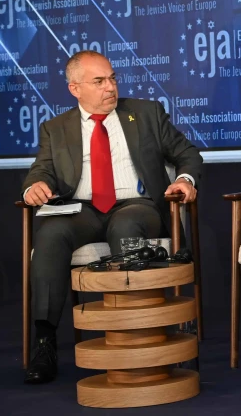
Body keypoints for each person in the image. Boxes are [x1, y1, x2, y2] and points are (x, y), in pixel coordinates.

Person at [21, 50, 202, 385]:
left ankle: (134, 333)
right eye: (99, 81)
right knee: (49, 234)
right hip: (83, 210)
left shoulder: (145, 113)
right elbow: (41, 170)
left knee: (125, 223)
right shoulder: (55, 128)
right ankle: (44, 342)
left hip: (137, 204)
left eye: (112, 78)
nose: (110, 87)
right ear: (75, 89)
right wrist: (36, 185)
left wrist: (184, 180)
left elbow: (187, 153)